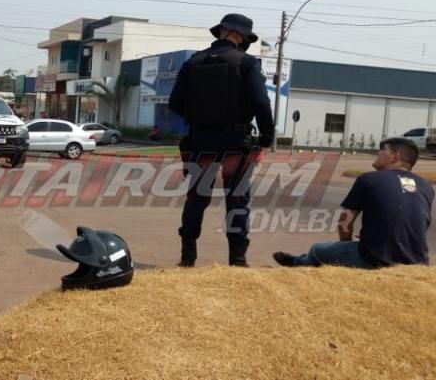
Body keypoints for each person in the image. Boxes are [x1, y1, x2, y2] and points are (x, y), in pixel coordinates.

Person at [168, 13, 274, 267]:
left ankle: (187, 259)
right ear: (239, 35)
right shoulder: (247, 63)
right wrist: (266, 141)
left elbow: (175, 103)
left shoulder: (192, 62)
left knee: (196, 199)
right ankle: (237, 261)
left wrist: (199, 119)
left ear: (222, 32)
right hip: (236, 143)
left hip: (200, 142)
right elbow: (261, 103)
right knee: (237, 200)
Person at [274, 138, 432, 268]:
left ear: (395, 157)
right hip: (417, 262)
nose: (378, 152)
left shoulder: (368, 179)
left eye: (383, 149)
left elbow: (345, 219)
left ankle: (297, 263)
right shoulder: (426, 186)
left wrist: (345, 244)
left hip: (375, 259)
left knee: (317, 250)